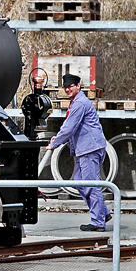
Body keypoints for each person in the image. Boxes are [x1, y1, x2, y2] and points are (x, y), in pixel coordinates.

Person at [47, 73, 112, 232]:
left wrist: (54, 144)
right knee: (78, 180)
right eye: (66, 87)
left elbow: (69, 127)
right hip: (86, 148)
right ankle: (103, 212)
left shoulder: (79, 103)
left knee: (91, 183)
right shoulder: (77, 102)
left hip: (90, 148)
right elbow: (71, 127)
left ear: (78, 86)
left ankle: (97, 221)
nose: (68, 89)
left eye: (71, 86)